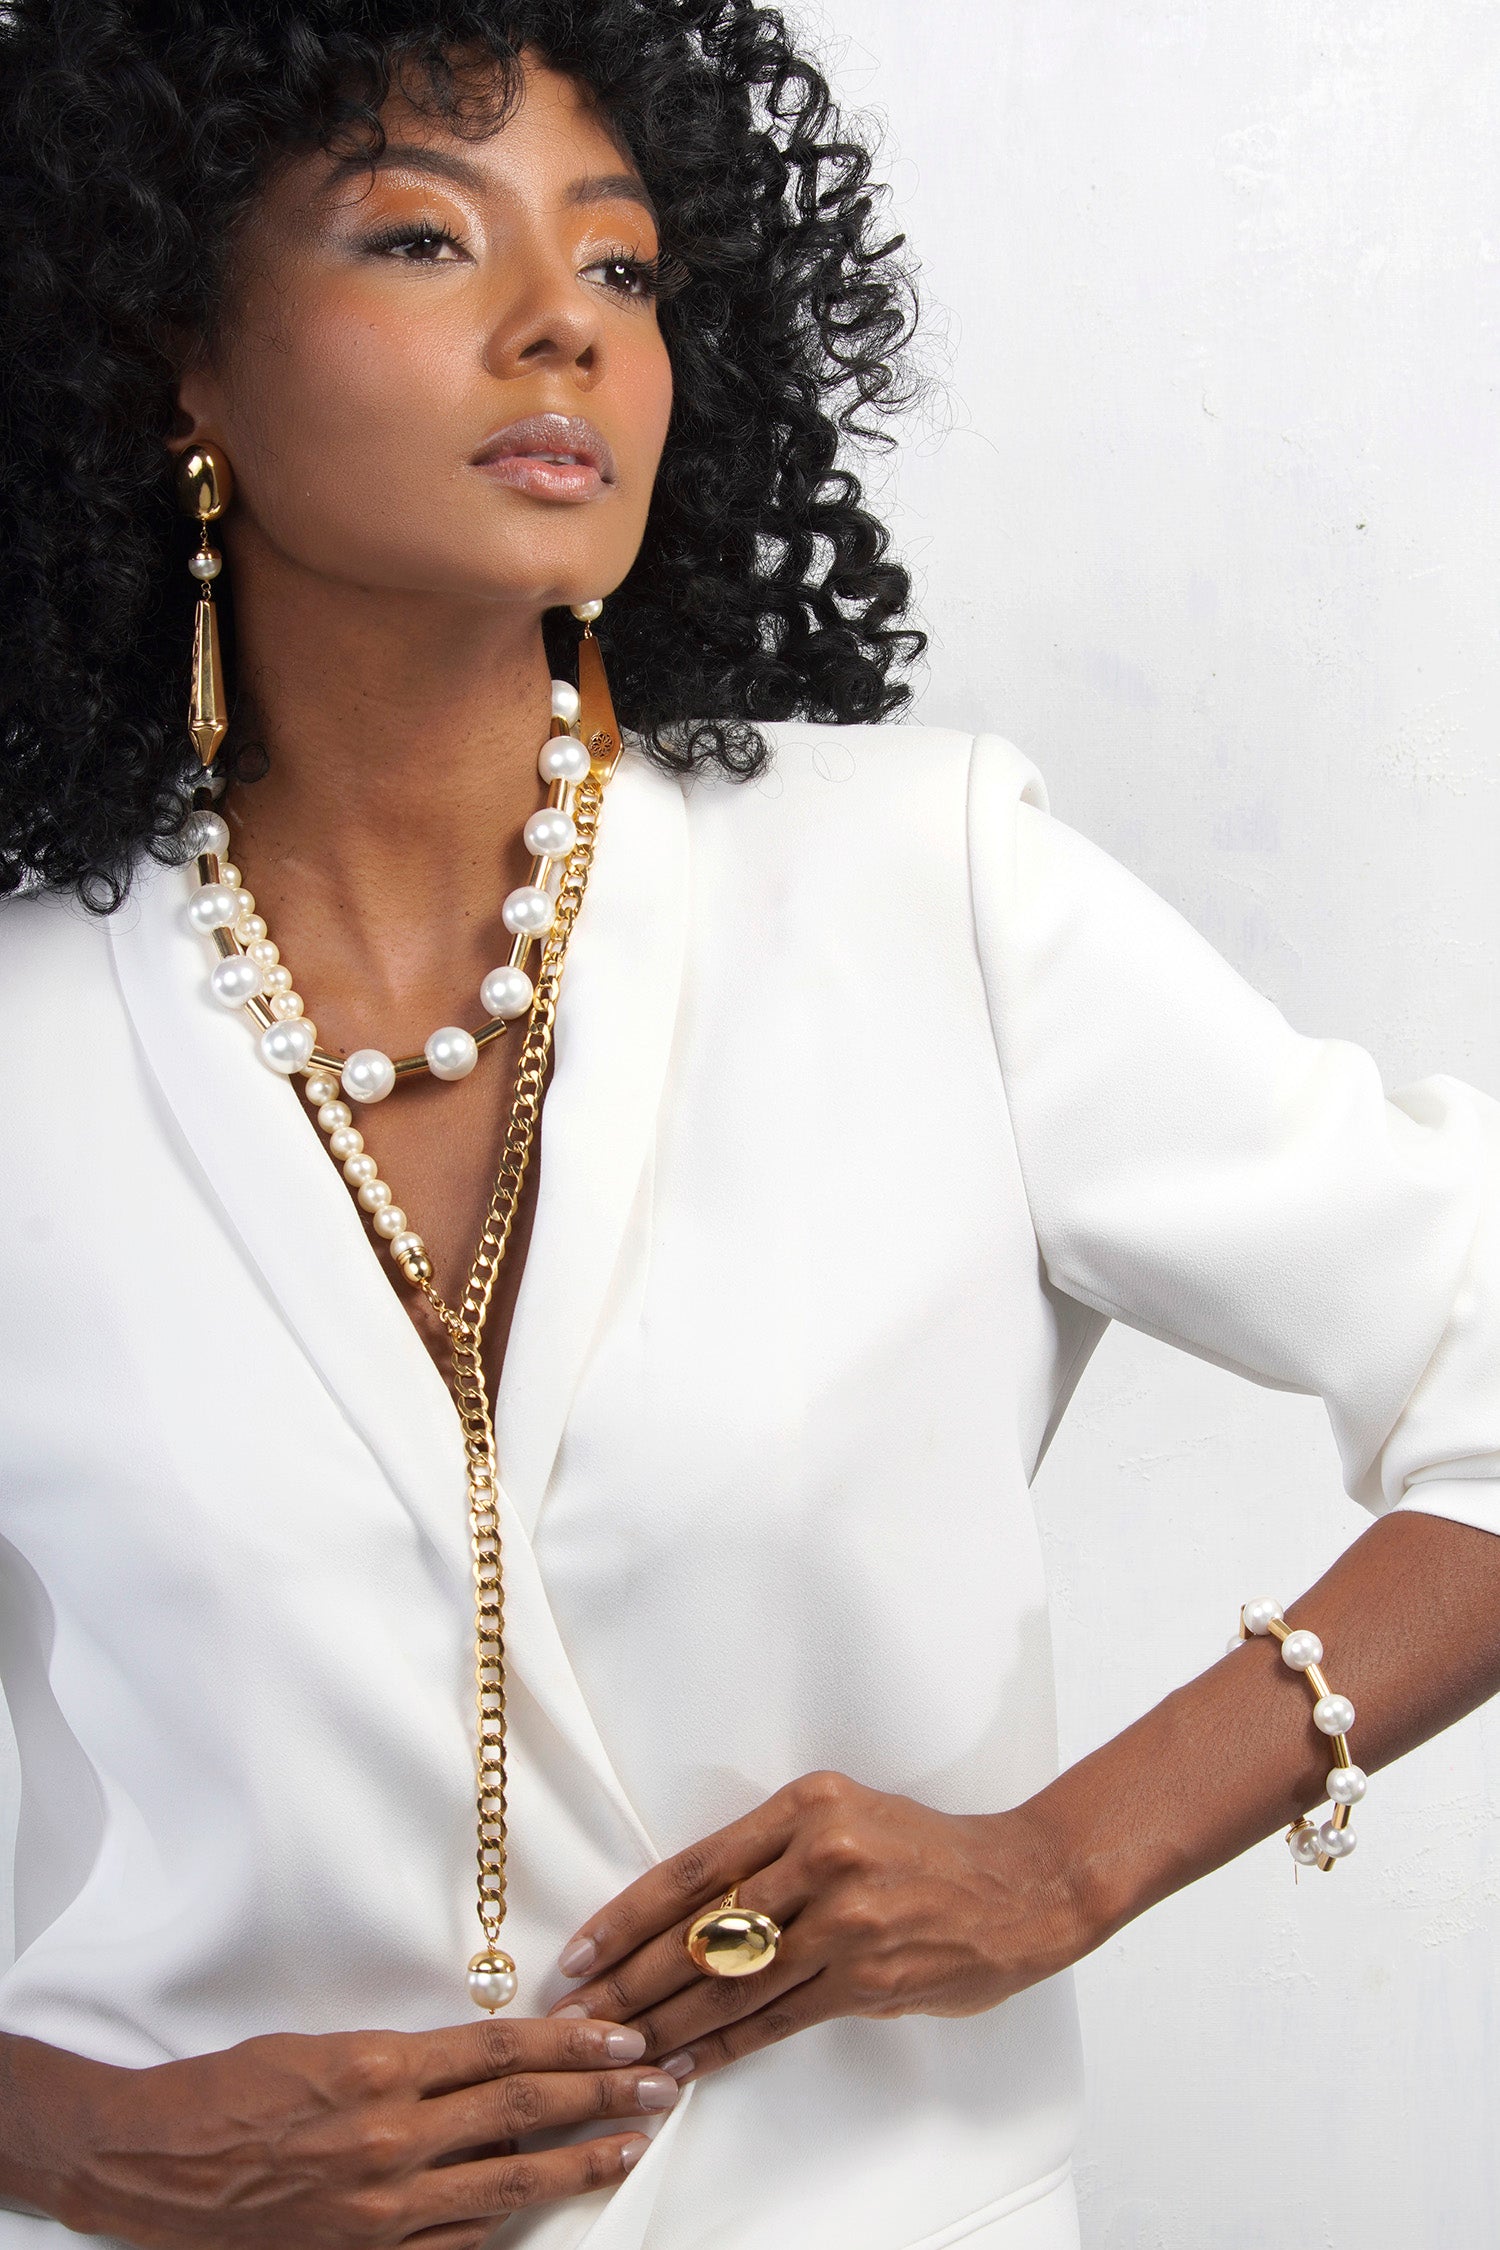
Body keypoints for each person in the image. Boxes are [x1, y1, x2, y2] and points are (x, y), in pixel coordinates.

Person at [0, 5, 1496, 2247]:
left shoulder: (927, 892)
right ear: (172, 357)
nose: (565, 328)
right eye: (423, 238)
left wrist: (1070, 1859)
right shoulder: (30, 1039)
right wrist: (81, 2141)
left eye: (622, 264)